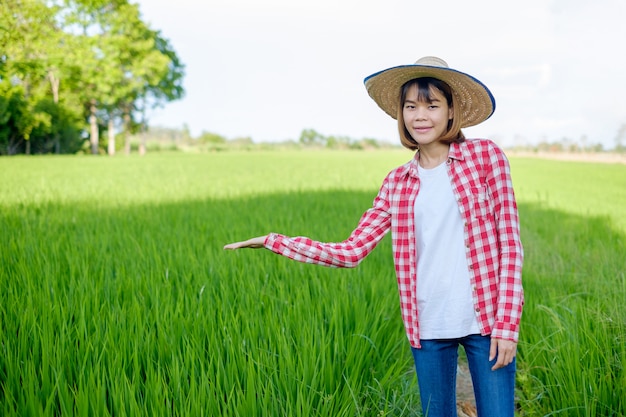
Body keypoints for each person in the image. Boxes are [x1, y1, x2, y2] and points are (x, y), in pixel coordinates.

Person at [224, 56, 524, 417]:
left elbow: (509, 242)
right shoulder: (397, 183)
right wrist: (274, 241)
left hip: (488, 322)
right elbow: (352, 251)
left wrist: (507, 324)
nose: (420, 116)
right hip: (428, 325)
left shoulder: (485, 157)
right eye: (410, 106)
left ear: (450, 111)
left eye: (432, 105)